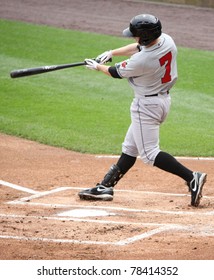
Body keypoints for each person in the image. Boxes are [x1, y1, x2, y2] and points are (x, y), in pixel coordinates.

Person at [78, 14, 207, 207]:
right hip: (163, 101)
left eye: (136, 35)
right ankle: (105, 187)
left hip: (146, 107)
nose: (133, 38)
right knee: (130, 147)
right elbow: (139, 47)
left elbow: (114, 72)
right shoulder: (166, 41)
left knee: (149, 154)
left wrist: (98, 66)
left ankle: (191, 177)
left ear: (145, 36)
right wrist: (112, 52)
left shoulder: (142, 61)